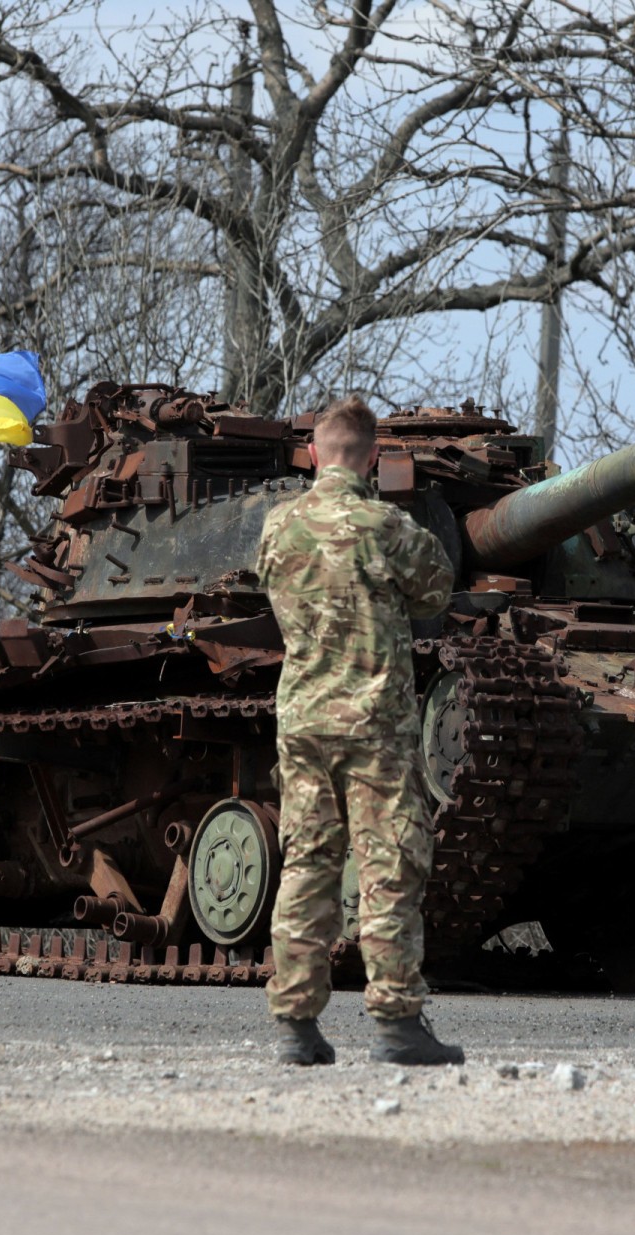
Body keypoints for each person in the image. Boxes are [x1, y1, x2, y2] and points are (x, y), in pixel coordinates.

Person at [256, 395, 463, 1066]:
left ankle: (295, 1027)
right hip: (375, 722)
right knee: (387, 865)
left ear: (315, 454)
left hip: (305, 720)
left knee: (307, 864)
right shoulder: (387, 527)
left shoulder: (278, 528)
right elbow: (436, 590)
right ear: (374, 457)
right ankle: (397, 1024)